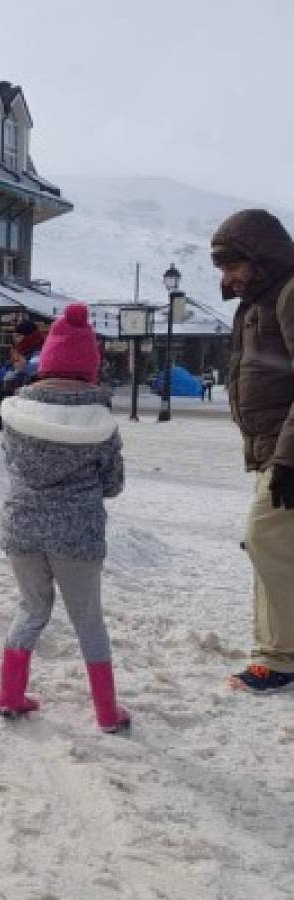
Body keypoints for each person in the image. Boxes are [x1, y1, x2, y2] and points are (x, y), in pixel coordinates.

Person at [0, 303, 130, 733]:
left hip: (24, 528)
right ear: (89, 367)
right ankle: (108, 713)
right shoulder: (102, 424)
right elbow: (113, 484)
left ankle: (10, 695)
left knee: (31, 609)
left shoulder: (16, 416)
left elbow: (11, 465)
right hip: (77, 536)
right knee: (88, 618)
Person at [211, 209, 294, 693]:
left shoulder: (287, 294)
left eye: (231, 266)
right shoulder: (260, 300)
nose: (228, 277)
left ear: (259, 258)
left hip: (286, 452)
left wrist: (286, 459)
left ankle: (278, 659)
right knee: (276, 544)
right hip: (273, 449)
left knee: (265, 539)